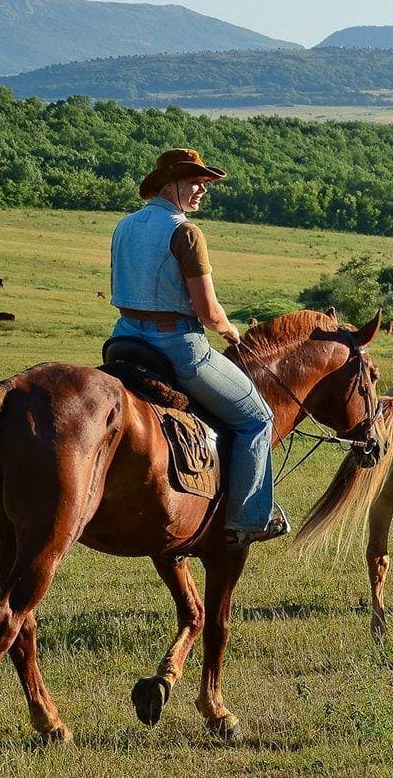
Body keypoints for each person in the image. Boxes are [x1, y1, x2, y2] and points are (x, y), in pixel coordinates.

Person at [109, 148, 287, 547]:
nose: (202, 190)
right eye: (195, 182)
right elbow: (207, 310)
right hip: (176, 346)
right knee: (258, 418)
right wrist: (229, 329)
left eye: (204, 184)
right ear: (169, 184)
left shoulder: (124, 225)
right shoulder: (186, 232)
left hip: (124, 339)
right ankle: (249, 519)